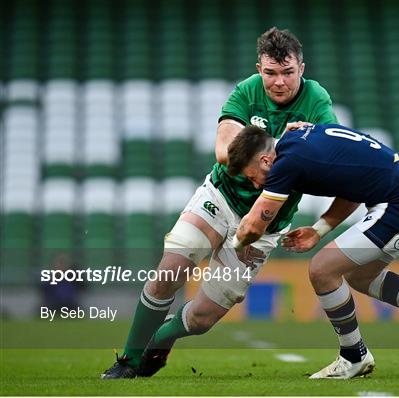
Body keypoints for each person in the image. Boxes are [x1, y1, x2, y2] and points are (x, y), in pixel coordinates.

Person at [101, 27, 339, 379]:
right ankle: (129, 360)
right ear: (259, 68)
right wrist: (285, 146)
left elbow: (329, 158)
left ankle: (160, 340)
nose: (278, 82)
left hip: (267, 222)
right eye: (270, 73)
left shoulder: (317, 99)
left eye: (287, 73)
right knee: (170, 270)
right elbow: (224, 151)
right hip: (220, 198)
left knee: (201, 318)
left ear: (301, 69)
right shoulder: (246, 92)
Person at [227, 123, 399, 379]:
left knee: (322, 269)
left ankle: (354, 356)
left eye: (253, 177)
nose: (255, 185)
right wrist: (319, 230)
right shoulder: (298, 140)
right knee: (359, 276)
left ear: (265, 160)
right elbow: (351, 186)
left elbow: (252, 228)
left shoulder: (286, 163)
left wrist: (232, 248)